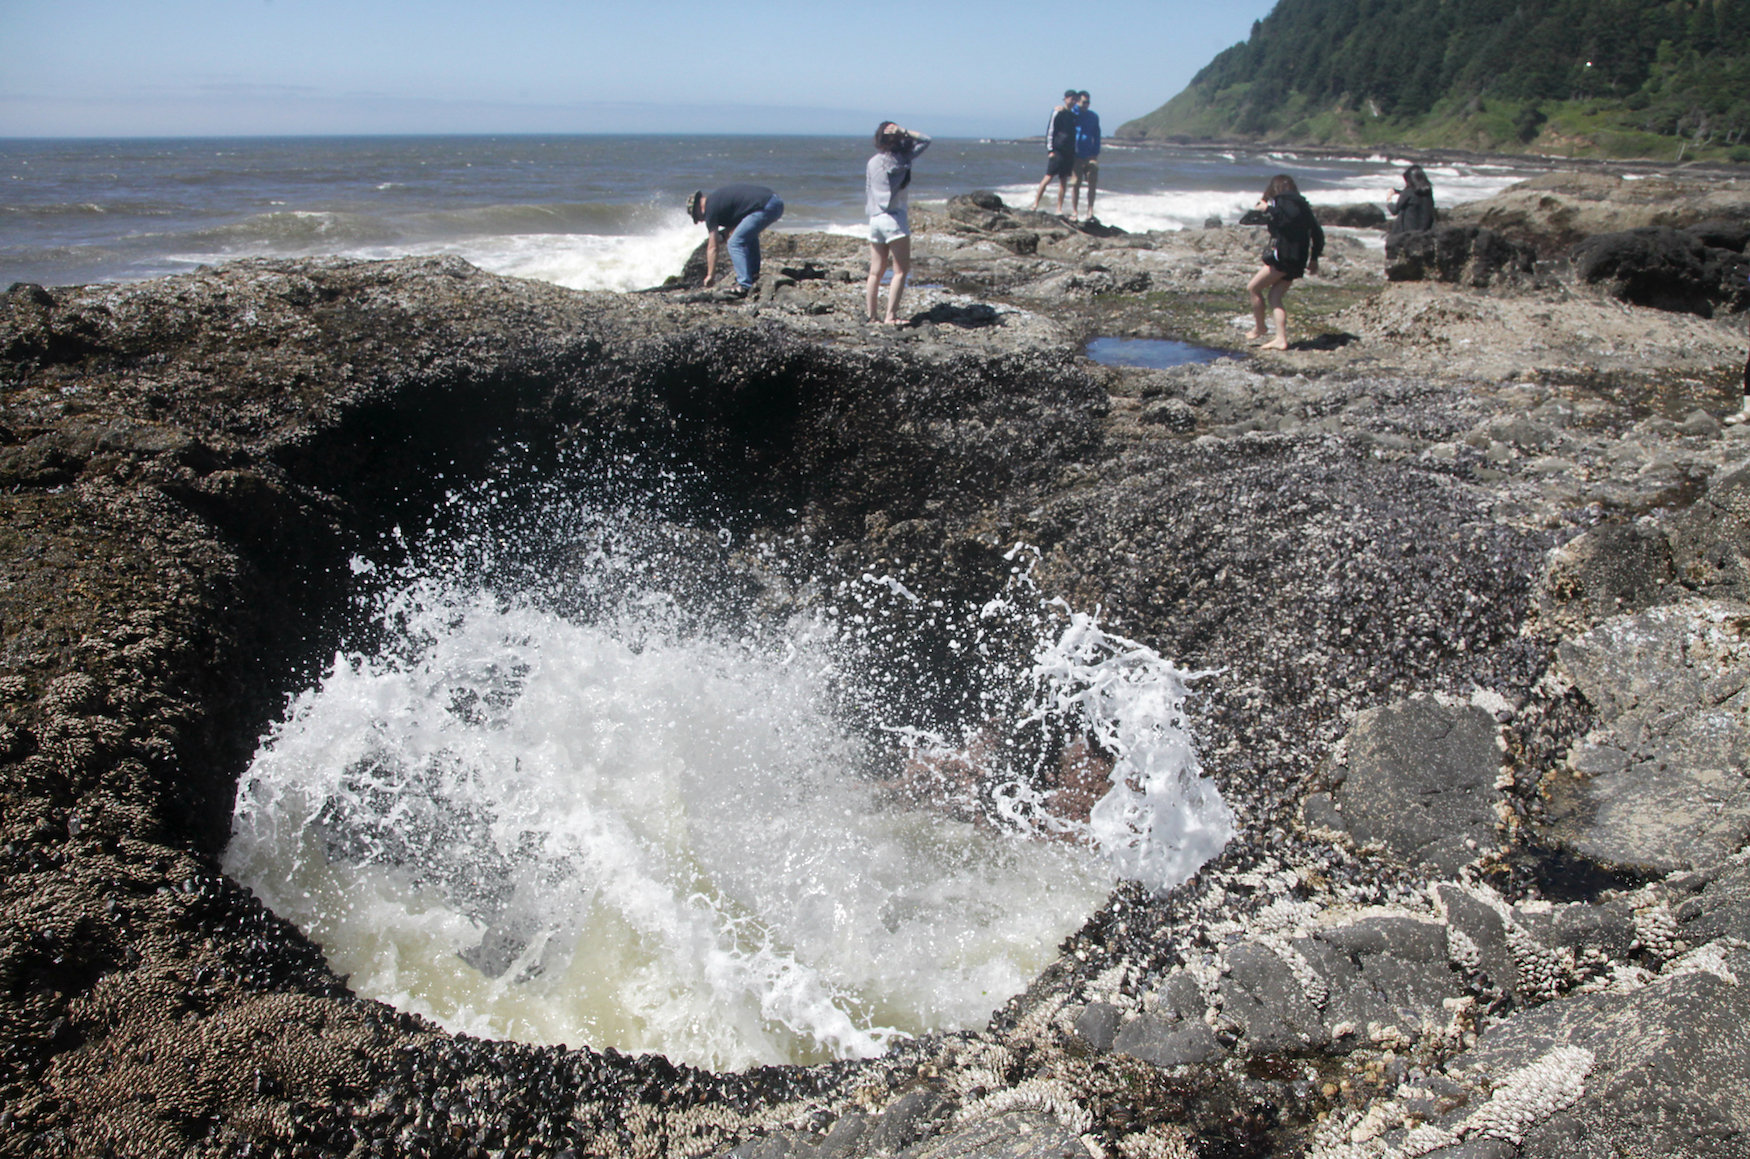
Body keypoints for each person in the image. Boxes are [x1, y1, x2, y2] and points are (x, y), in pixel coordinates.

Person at [1240, 174, 1324, 351]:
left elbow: (1286, 220)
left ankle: (1260, 327)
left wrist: (1267, 209)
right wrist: (1314, 257)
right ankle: (1280, 338)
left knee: (1253, 288)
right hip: (1298, 259)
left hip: (1283, 257)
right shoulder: (1303, 205)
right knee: (1274, 297)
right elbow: (1317, 233)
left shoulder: (1281, 201)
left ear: (1275, 188)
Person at [865, 121, 931, 325]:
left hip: (874, 220)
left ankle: (872, 316)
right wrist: (904, 131)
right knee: (900, 271)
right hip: (894, 220)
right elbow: (926, 139)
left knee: (875, 271)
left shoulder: (873, 162)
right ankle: (890, 316)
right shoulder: (901, 159)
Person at [686, 184, 785, 295]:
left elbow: (713, 247)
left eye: (697, 217)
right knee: (748, 236)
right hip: (774, 202)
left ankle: (743, 284)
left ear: (699, 207)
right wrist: (725, 233)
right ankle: (753, 274)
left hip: (765, 206)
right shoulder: (718, 201)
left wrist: (710, 275)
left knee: (734, 243)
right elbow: (741, 222)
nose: (700, 221)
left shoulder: (710, 209)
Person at [1031, 90, 1080, 214]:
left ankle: (1059, 208)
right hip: (1057, 150)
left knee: (1063, 181)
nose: (1073, 101)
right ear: (1065, 99)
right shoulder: (1058, 112)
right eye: (1071, 98)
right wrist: (1050, 150)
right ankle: (1035, 203)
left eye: (1075, 99)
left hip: (1069, 152)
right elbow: (1050, 131)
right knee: (1048, 177)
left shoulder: (1073, 115)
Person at [1070, 91, 1101, 221]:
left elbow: (1097, 135)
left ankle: (1090, 211)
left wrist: (1095, 153)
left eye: (1088, 102)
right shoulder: (1072, 114)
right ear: (1077, 102)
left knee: (1092, 182)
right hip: (1076, 155)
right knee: (1075, 183)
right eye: (1083, 102)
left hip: (1090, 155)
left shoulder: (1093, 116)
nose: (1086, 105)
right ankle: (1074, 212)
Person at [1386, 164, 1436, 234]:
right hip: (1425, 232)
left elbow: (1394, 211)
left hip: (1409, 234)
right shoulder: (1428, 192)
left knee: (1402, 211)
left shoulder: (1408, 192)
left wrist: (1389, 199)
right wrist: (1398, 192)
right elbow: (1415, 196)